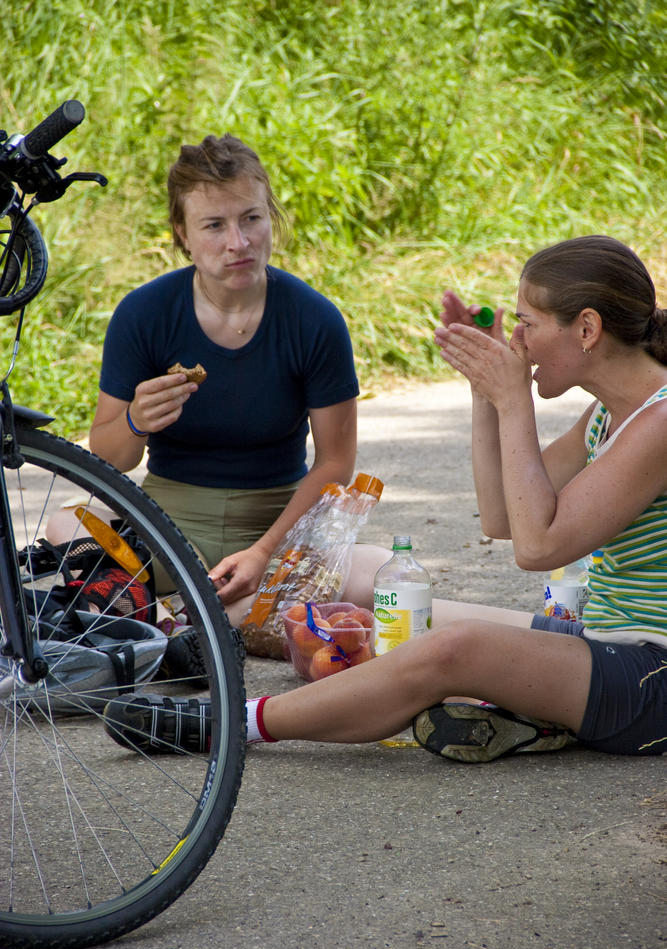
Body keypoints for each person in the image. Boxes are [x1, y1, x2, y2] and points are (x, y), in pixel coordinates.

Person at [104, 235, 667, 762]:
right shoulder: (607, 414)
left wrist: (514, 400)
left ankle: (231, 723)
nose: (518, 340)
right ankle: (528, 715)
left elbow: (538, 546)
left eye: (527, 322)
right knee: (389, 593)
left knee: (455, 649)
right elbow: (502, 518)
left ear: (587, 328)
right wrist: (486, 396)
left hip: (649, 672)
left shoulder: (659, 421)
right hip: (602, 636)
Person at [48, 134, 387, 662]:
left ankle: (160, 624)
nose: (239, 242)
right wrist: (137, 420)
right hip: (164, 526)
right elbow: (108, 458)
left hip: (279, 529)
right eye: (214, 225)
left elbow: (336, 463)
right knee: (68, 523)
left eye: (251, 218)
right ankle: (201, 622)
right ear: (182, 235)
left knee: (384, 575)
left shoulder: (314, 319)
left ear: (270, 217)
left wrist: (262, 552)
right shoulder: (144, 314)